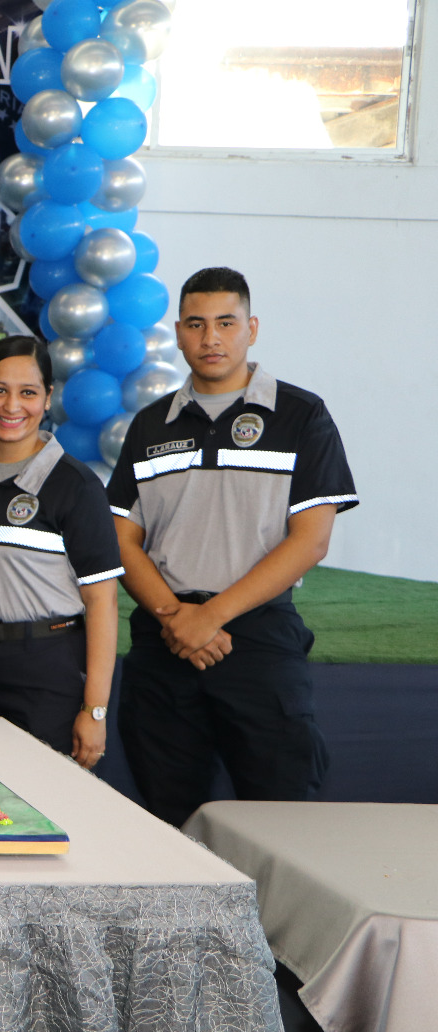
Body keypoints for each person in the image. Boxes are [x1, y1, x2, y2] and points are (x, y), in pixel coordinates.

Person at [108, 267, 357, 825]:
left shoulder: (301, 415)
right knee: (169, 822)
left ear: (252, 328)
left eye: (226, 322)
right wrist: (179, 618)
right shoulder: (150, 424)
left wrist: (210, 617)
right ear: (178, 333)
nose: (211, 338)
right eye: (196, 324)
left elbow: (312, 540)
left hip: (258, 639)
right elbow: (121, 538)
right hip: (164, 641)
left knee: (282, 821)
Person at [0, 337, 122, 768]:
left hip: (47, 669)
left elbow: (102, 601)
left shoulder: (77, 485)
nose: (12, 406)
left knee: (43, 795)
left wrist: (95, 710)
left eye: (28, 392)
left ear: (48, 398)